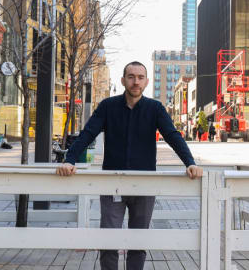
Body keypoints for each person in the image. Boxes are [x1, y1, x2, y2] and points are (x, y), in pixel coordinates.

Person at [56, 61, 203, 270]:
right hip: (112, 184)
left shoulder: (155, 108)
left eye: (140, 77)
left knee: (138, 243)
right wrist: (69, 160)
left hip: (145, 186)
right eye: (131, 77)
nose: (136, 82)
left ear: (147, 81)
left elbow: (172, 135)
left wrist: (190, 163)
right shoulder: (108, 106)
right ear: (123, 80)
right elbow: (88, 133)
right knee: (108, 241)